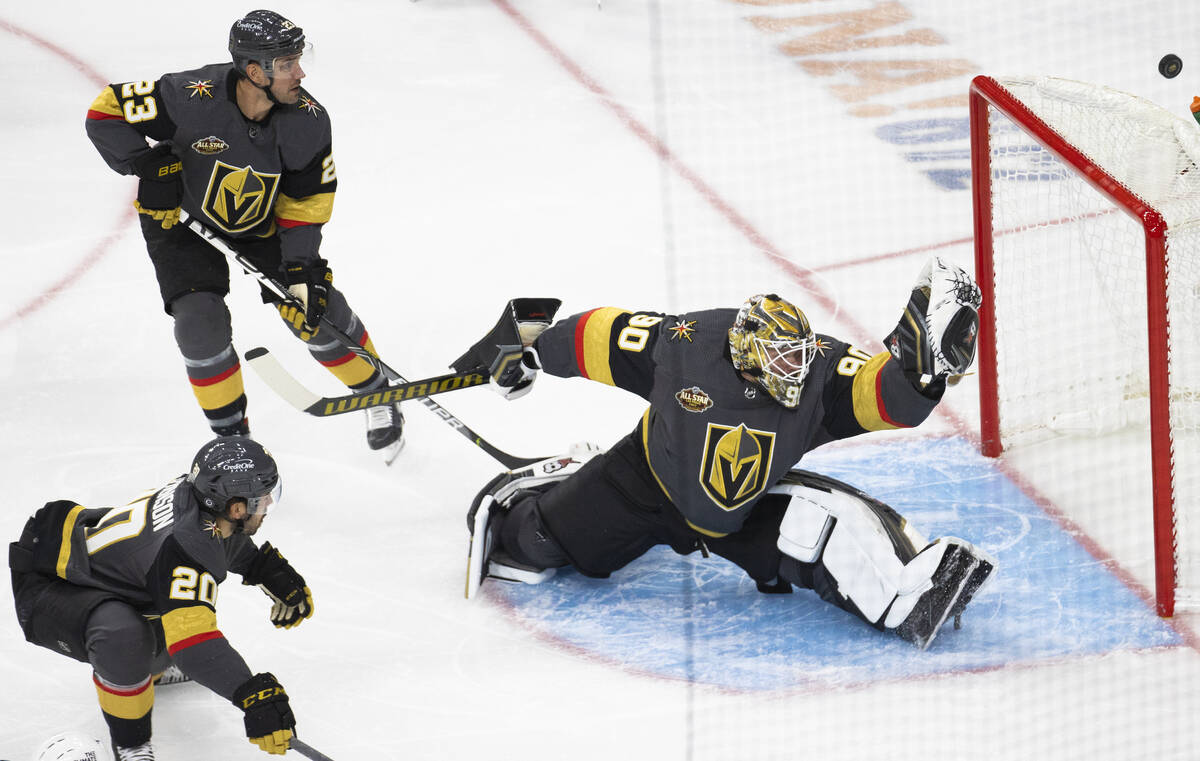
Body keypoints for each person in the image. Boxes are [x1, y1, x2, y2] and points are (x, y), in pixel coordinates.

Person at [465, 257, 995, 650]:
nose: (795, 371)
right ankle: (556, 481)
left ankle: (910, 592)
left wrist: (921, 377)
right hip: (645, 482)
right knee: (529, 546)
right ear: (746, 353)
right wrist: (530, 348)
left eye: (800, 358)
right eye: (781, 360)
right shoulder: (683, 345)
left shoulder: (821, 373)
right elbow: (598, 336)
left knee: (821, 529)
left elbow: (883, 397)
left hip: (748, 509)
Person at [84, 9, 404, 458]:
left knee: (311, 309)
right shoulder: (188, 96)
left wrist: (301, 265)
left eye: (299, 59)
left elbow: (307, 201)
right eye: (288, 64)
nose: (301, 72)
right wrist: (143, 162)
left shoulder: (308, 120)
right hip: (181, 221)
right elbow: (106, 110)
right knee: (200, 326)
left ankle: (378, 393)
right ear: (255, 71)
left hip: (263, 223)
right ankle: (234, 444)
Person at [8, 437, 311, 760]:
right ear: (237, 507)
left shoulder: (200, 504)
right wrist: (253, 696)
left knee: (167, 612)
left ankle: (149, 668)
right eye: (263, 500)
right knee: (124, 635)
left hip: (90, 570)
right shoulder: (184, 546)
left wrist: (264, 568)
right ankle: (131, 744)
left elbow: (214, 536)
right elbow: (194, 648)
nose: (266, 507)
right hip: (48, 591)